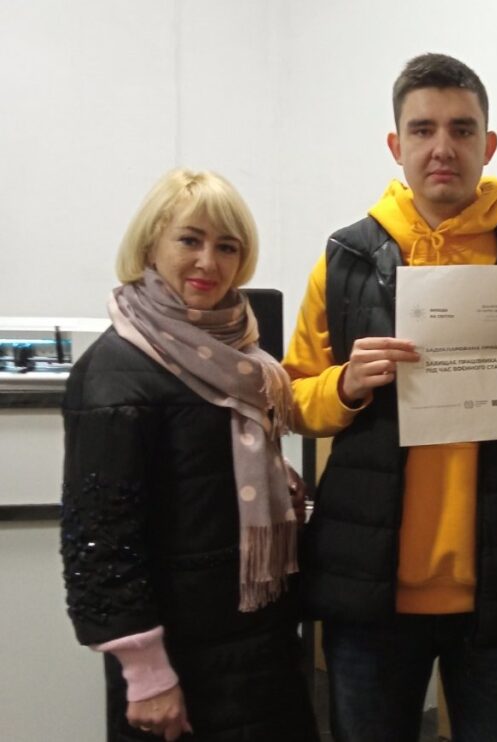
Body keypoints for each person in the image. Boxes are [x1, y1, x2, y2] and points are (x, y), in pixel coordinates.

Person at [284, 52, 497, 741]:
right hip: (369, 595)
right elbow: (293, 400)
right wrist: (345, 384)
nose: (442, 147)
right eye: (422, 129)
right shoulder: (345, 259)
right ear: (395, 145)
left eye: (462, 129)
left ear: (488, 144)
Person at [60, 169, 319, 742]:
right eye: (189, 240)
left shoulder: (242, 358)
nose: (208, 261)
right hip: (178, 660)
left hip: (261, 642)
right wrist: (146, 674)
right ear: (151, 243)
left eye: (227, 246)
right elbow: (99, 539)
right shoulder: (114, 372)